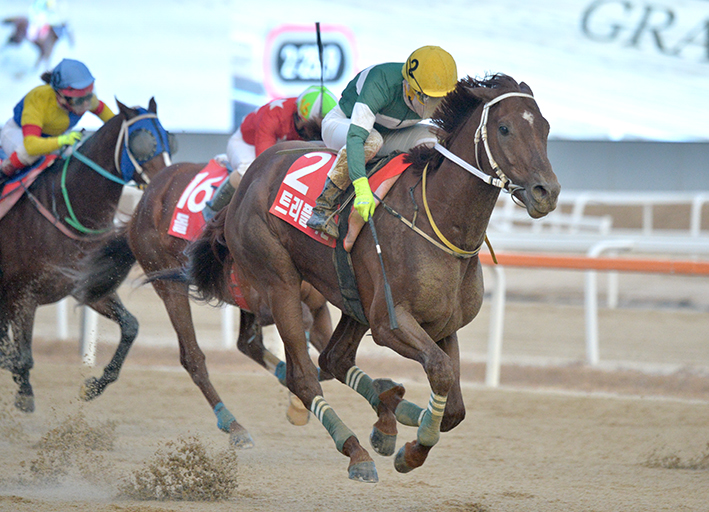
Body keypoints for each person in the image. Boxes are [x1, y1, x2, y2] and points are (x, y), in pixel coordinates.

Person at [306, 45, 458, 238]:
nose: (434, 107)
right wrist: (361, 187)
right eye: (428, 98)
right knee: (371, 140)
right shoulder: (381, 80)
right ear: (409, 87)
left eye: (440, 99)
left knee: (436, 139)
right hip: (343, 124)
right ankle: (323, 206)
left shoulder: (438, 88)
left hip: (390, 133)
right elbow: (356, 137)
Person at [202, 85, 338, 220]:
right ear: (299, 117)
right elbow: (265, 161)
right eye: (310, 130)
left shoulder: (306, 117)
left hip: (281, 147)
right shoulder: (273, 116)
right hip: (247, 144)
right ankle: (212, 211)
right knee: (248, 171)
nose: (312, 136)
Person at [0, 58, 115, 183]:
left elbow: (112, 119)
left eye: (88, 96)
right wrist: (62, 141)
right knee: (30, 154)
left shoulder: (84, 98)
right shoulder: (38, 98)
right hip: (19, 134)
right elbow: (31, 145)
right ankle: (3, 173)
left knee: (81, 157)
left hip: (52, 139)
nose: (86, 104)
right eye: (79, 100)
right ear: (59, 95)